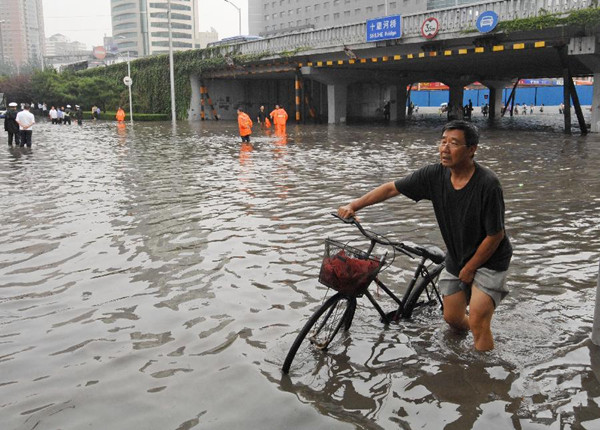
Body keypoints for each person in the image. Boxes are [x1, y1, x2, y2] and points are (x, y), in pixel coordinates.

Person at [337, 120, 512, 352]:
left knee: (479, 320)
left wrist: (470, 269)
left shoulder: (488, 185)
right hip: (457, 255)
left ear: (472, 150)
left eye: (454, 143)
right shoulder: (434, 175)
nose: (445, 149)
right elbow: (391, 188)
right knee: (452, 319)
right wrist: (354, 205)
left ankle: (483, 374)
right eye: (443, 142)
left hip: (489, 259)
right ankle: (472, 344)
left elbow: (495, 236)